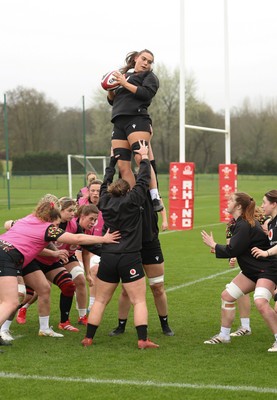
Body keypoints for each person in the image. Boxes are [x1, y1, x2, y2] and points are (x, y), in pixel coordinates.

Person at [0, 194, 120, 343]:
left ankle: (44, 329)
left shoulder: (29, 218)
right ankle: (3, 330)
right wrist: (104, 239)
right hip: (8, 257)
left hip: (11, 255)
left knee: (44, 288)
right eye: (56, 224)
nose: (56, 228)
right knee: (13, 300)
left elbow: (21, 236)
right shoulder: (48, 229)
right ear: (51, 219)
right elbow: (77, 239)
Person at [81, 140, 159, 349]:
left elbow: (105, 181)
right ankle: (142, 340)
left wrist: (112, 160)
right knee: (139, 301)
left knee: (100, 301)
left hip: (108, 256)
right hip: (130, 256)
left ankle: (88, 337)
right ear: (126, 191)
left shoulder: (104, 200)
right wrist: (142, 157)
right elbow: (143, 181)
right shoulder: (133, 200)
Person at [201, 192, 277, 352]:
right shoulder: (240, 223)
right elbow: (234, 249)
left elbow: (232, 249)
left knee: (261, 302)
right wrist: (218, 248)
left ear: (238, 206)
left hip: (266, 270)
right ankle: (224, 335)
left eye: (230, 200)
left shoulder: (243, 224)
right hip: (252, 271)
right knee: (227, 296)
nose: (227, 202)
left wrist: (214, 245)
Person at [109, 168, 174, 337]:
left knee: (157, 287)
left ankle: (165, 324)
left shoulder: (150, 192)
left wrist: (145, 155)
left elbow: (152, 173)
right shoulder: (124, 197)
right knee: (126, 289)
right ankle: (121, 326)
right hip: (131, 246)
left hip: (150, 244)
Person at [106, 49, 163, 212]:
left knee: (141, 158)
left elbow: (146, 94)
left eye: (150, 61)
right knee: (123, 166)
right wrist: (110, 88)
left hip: (137, 119)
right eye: (144, 59)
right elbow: (112, 100)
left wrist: (124, 84)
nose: (146, 63)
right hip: (119, 122)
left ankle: (154, 196)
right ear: (137, 58)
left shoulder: (149, 77)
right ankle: (133, 200)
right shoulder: (126, 75)